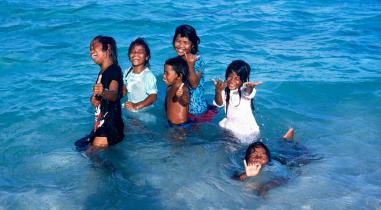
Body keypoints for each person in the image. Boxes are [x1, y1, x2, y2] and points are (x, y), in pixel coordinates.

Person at [234, 128, 319, 196]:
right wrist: (246, 174)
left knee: (304, 159)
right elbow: (234, 179)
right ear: (246, 159)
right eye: (253, 155)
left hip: (281, 161)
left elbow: (285, 178)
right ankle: (285, 140)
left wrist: (266, 187)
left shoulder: (273, 166)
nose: (258, 157)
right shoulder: (241, 167)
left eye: (263, 155)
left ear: (268, 159)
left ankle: (288, 141)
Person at [75, 35, 124, 150]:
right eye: (90, 48)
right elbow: (104, 98)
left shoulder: (114, 70)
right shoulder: (103, 71)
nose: (91, 51)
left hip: (109, 125)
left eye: (94, 47)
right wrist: (96, 100)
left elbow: (114, 93)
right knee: (80, 146)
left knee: (90, 157)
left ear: (108, 49)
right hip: (102, 124)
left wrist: (103, 92)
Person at [172, 24, 217, 122]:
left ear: (192, 45)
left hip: (196, 110)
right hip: (182, 107)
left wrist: (190, 66)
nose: (181, 46)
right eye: (178, 41)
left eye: (185, 42)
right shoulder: (177, 61)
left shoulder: (197, 61)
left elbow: (194, 84)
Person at [213, 60, 262, 141]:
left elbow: (248, 93)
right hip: (231, 126)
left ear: (243, 80)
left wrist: (250, 87)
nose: (232, 80)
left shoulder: (243, 90)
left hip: (246, 130)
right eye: (230, 76)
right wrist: (218, 91)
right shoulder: (225, 90)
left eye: (237, 78)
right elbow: (219, 104)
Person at [122, 38, 157, 111]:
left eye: (140, 52)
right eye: (133, 51)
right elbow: (124, 88)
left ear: (147, 57)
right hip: (130, 108)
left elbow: (153, 96)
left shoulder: (148, 75)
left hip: (143, 111)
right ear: (129, 55)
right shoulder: (127, 71)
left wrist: (136, 106)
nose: (135, 54)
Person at [163, 56, 190, 127]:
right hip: (170, 123)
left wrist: (180, 96)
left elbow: (185, 101)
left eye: (167, 73)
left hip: (180, 127)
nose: (163, 76)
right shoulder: (169, 87)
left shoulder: (183, 89)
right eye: (164, 73)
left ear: (179, 76)